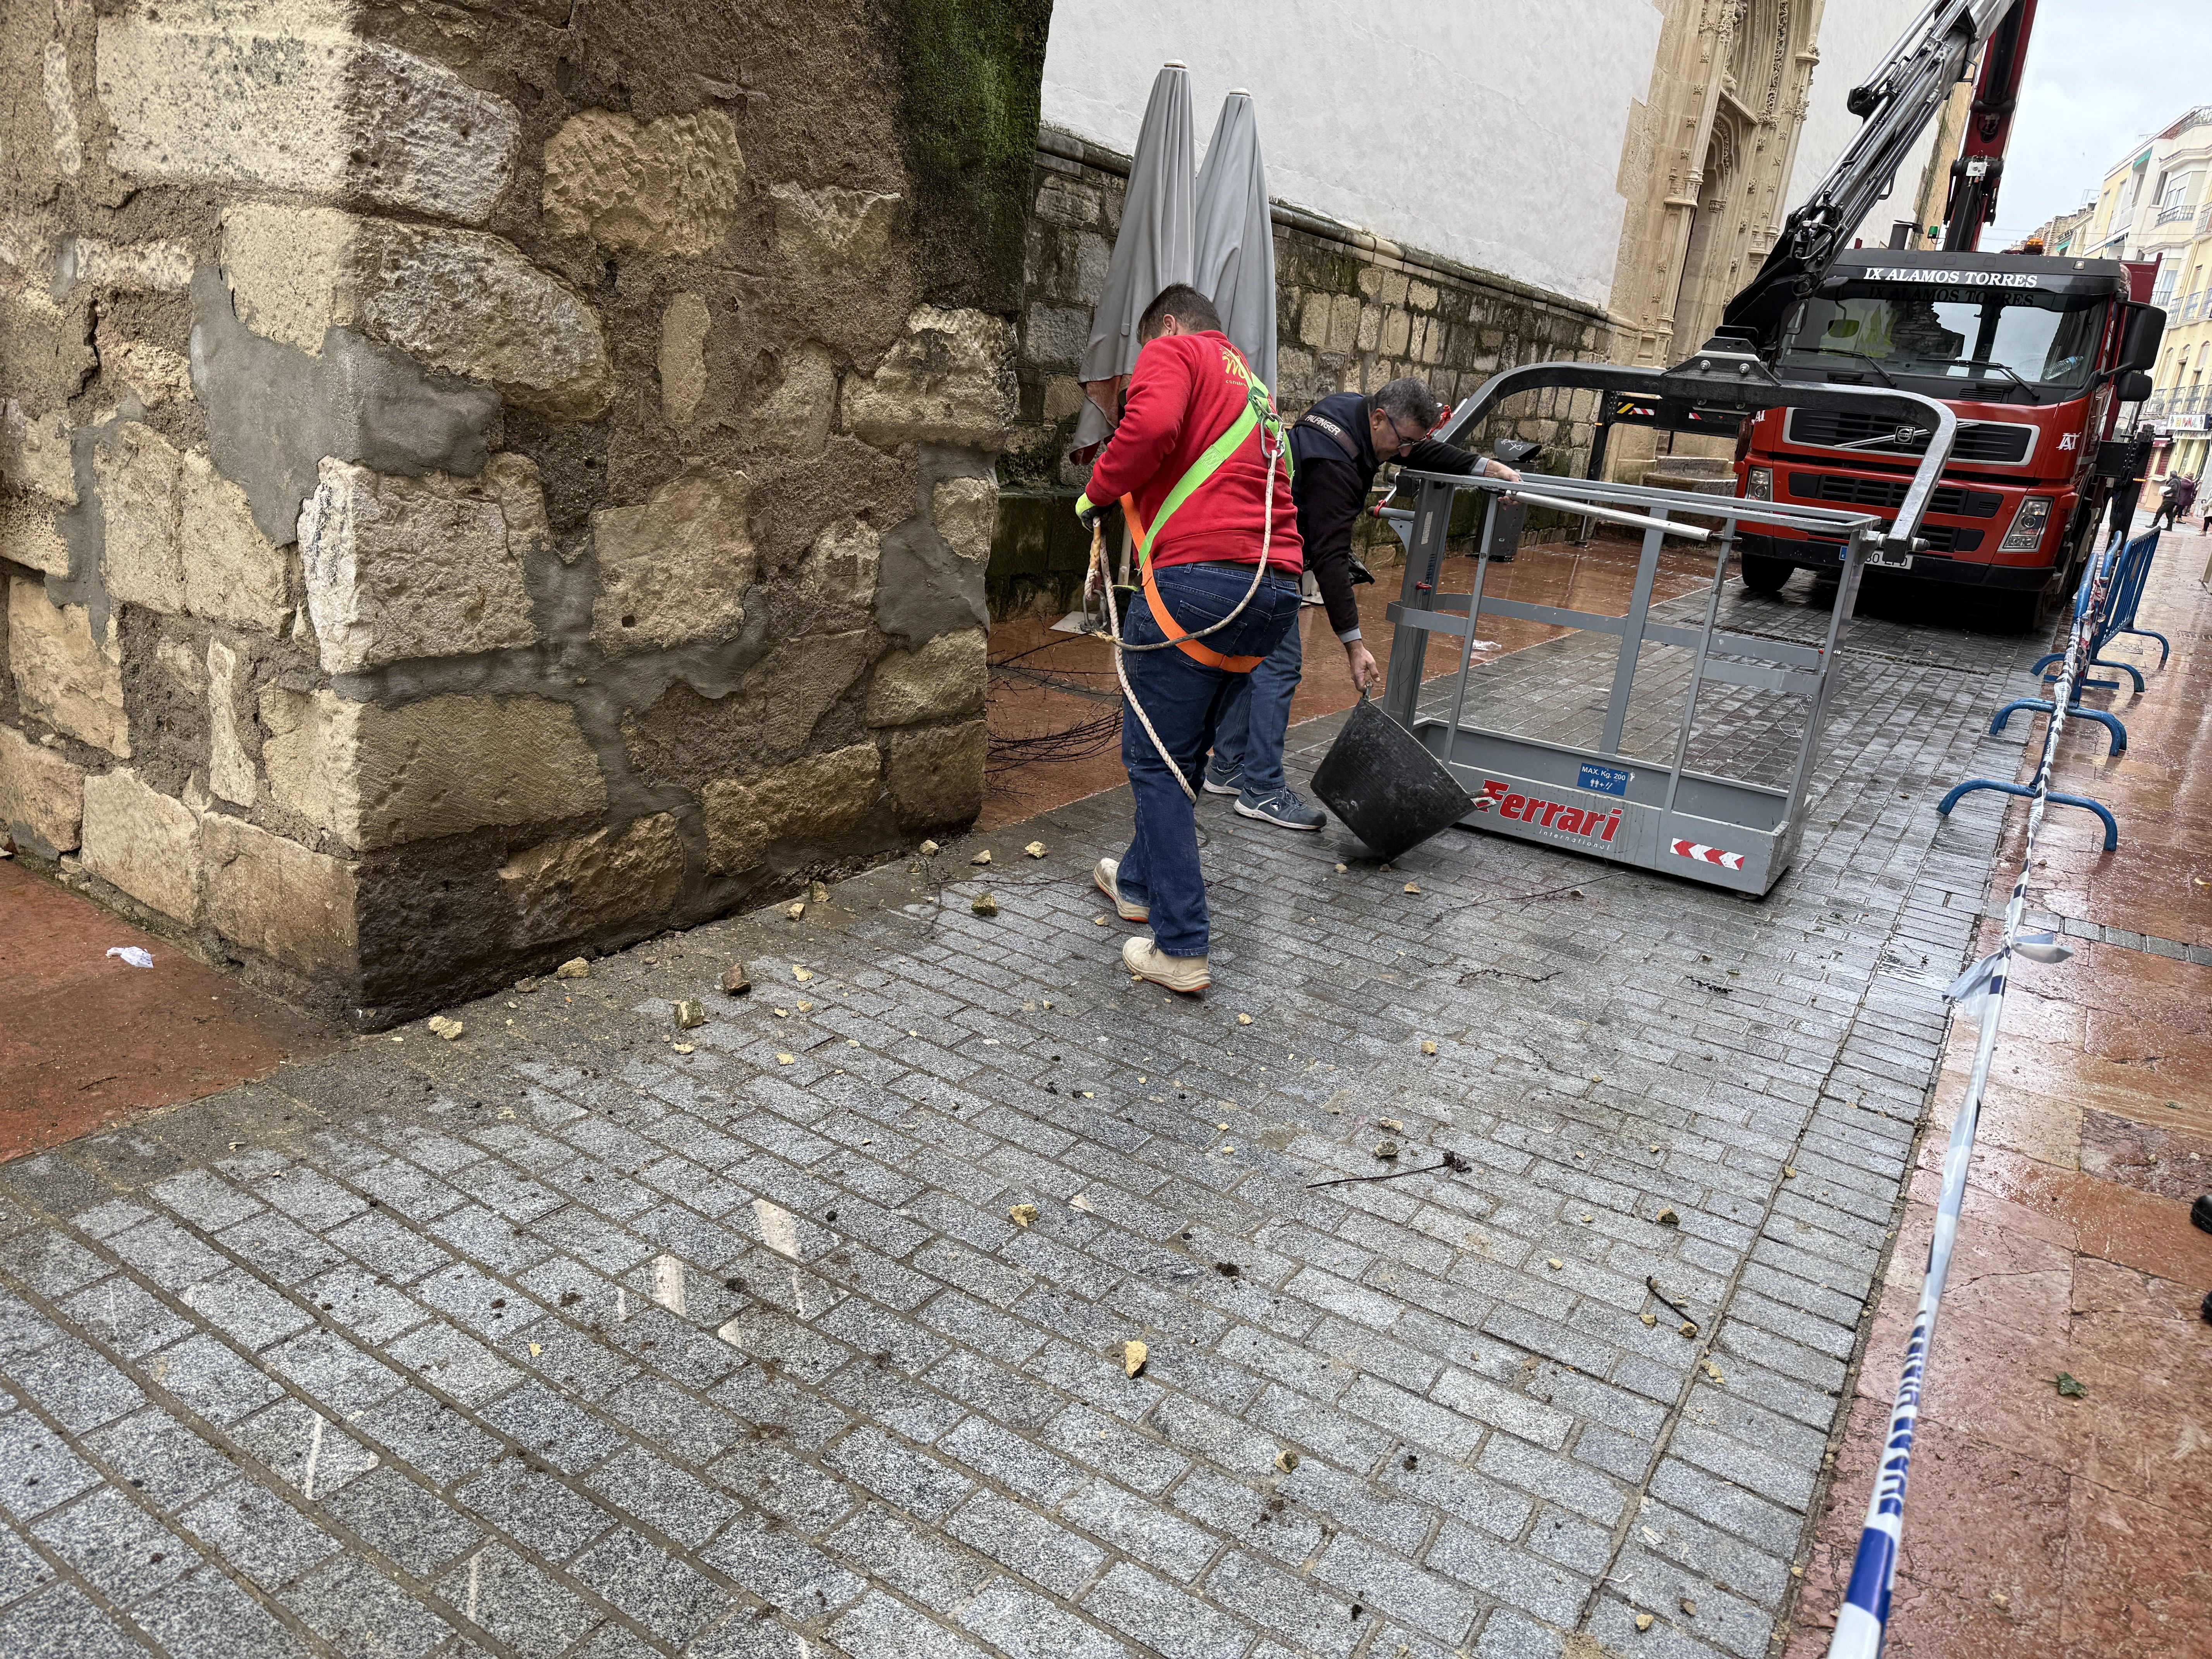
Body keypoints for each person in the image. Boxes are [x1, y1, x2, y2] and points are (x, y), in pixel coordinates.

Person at [1075, 283, 1305, 993]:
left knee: (1152, 761)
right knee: (1183, 757)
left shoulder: (1174, 351)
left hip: (1199, 585)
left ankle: (1180, 946)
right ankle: (1138, 882)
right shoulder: (1254, 389)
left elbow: (1145, 433)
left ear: (1169, 327)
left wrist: (1095, 493)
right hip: (1273, 593)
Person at [1202, 377, 1522, 828]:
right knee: (1279, 666)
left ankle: (1228, 766)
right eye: (1403, 442)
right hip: (1257, 555)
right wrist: (1354, 644)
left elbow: (1418, 448)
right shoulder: (1336, 465)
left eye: (1415, 441)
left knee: (1255, 659)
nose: (1406, 454)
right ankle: (1261, 790)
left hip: (1255, 543)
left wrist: (1487, 468)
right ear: (1379, 419)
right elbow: (1331, 558)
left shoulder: (1351, 412)